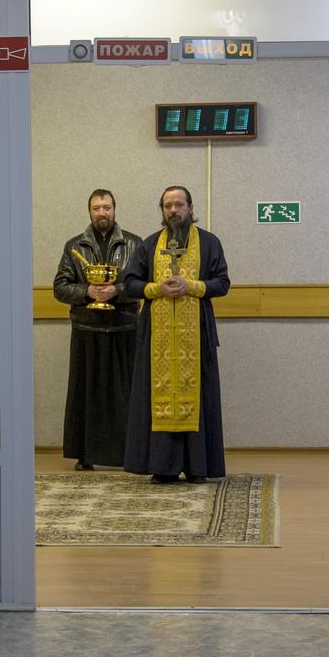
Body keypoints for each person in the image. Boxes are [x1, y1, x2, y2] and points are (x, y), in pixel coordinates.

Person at [122, 186, 231, 484]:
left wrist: (190, 286)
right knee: (156, 396)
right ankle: (164, 467)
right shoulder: (148, 245)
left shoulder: (209, 243)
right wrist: (156, 289)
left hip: (197, 338)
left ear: (191, 208)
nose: (173, 211)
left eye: (179, 205)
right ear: (162, 210)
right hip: (156, 340)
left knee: (198, 396)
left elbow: (222, 283)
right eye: (168, 205)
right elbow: (129, 283)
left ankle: (198, 467)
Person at [53, 189, 144, 470]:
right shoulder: (74, 246)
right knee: (85, 394)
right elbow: (60, 287)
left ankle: (130, 453)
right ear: (89, 211)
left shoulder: (134, 244)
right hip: (86, 327)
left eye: (106, 207)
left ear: (115, 209)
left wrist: (116, 291)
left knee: (127, 394)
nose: (101, 213)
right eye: (96, 208)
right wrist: (87, 291)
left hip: (124, 328)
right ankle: (85, 455)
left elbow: (142, 285)